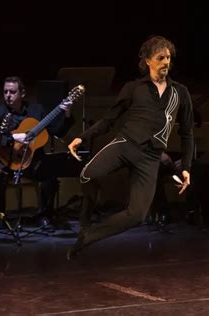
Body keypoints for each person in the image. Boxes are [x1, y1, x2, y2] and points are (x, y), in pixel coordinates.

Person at [67, 35, 195, 259]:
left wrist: (186, 166)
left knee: (137, 215)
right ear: (147, 60)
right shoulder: (134, 88)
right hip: (126, 144)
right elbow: (109, 119)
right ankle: (85, 221)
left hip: (150, 157)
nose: (166, 62)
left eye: (168, 58)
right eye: (160, 57)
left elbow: (187, 133)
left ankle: (88, 236)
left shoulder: (180, 93)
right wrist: (83, 137)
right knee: (87, 175)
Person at [0, 76, 74, 230]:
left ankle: (44, 215)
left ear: (22, 93)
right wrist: (13, 138)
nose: (8, 96)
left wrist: (67, 114)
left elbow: (56, 132)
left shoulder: (36, 110)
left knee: (51, 174)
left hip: (30, 161)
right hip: (6, 161)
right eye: (5, 92)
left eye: (12, 92)